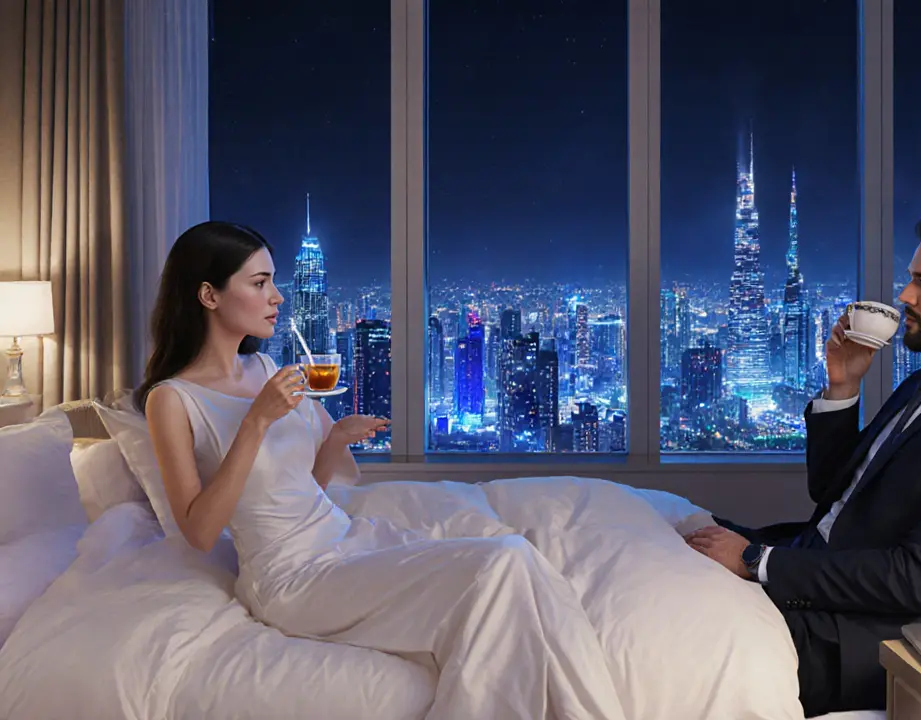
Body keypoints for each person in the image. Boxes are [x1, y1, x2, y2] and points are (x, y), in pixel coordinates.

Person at [138, 221, 625, 720]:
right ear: (209, 295)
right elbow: (197, 532)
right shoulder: (173, 401)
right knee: (500, 565)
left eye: (274, 280)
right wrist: (255, 423)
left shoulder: (265, 369)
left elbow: (306, 487)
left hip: (345, 538)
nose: (277, 296)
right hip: (292, 578)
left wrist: (336, 438)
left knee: (522, 561)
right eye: (260, 283)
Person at [686, 208, 921, 715]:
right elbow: (832, 491)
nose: (905, 297)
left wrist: (756, 561)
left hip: (838, 636)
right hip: (802, 570)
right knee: (652, 529)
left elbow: (918, 576)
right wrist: (843, 385)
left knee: (645, 622)